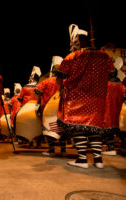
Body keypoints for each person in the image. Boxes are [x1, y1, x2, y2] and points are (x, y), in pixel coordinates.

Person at [56, 24, 115, 169]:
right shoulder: (104, 57)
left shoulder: (72, 57)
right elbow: (113, 75)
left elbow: (60, 77)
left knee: (78, 128)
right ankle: (98, 159)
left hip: (77, 98)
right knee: (94, 128)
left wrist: (62, 89)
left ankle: (82, 159)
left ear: (75, 41)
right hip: (98, 99)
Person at [35, 56, 67, 156]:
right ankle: (63, 149)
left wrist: (38, 102)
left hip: (48, 109)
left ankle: (52, 149)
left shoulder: (45, 82)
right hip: (62, 108)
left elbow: (38, 92)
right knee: (61, 128)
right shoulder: (65, 82)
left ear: (52, 72)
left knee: (49, 128)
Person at [102, 57, 126, 156]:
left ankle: (110, 147)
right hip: (118, 112)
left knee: (107, 129)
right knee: (116, 129)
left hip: (107, 111)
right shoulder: (121, 85)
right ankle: (117, 146)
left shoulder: (105, 84)